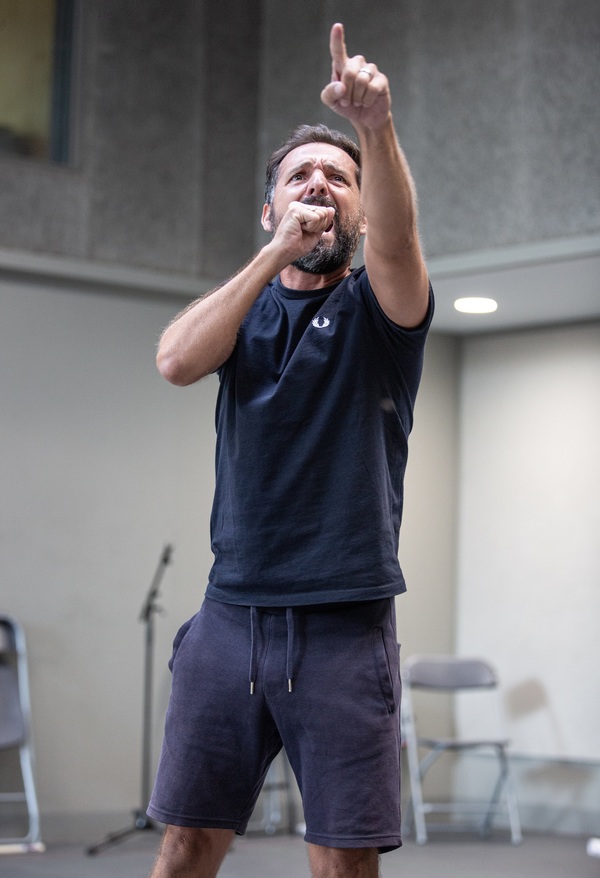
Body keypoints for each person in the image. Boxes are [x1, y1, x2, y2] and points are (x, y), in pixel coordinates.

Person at [148, 22, 433, 878]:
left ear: (361, 202)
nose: (320, 187)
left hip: (344, 623)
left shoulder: (381, 311)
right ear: (269, 209)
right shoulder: (246, 313)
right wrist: (273, 255)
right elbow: (174, 360)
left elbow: (395, 241)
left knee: (343, 860)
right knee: (188, 843)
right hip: (230, 616)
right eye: (299, 178)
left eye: (339, 179)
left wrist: (373, 128)